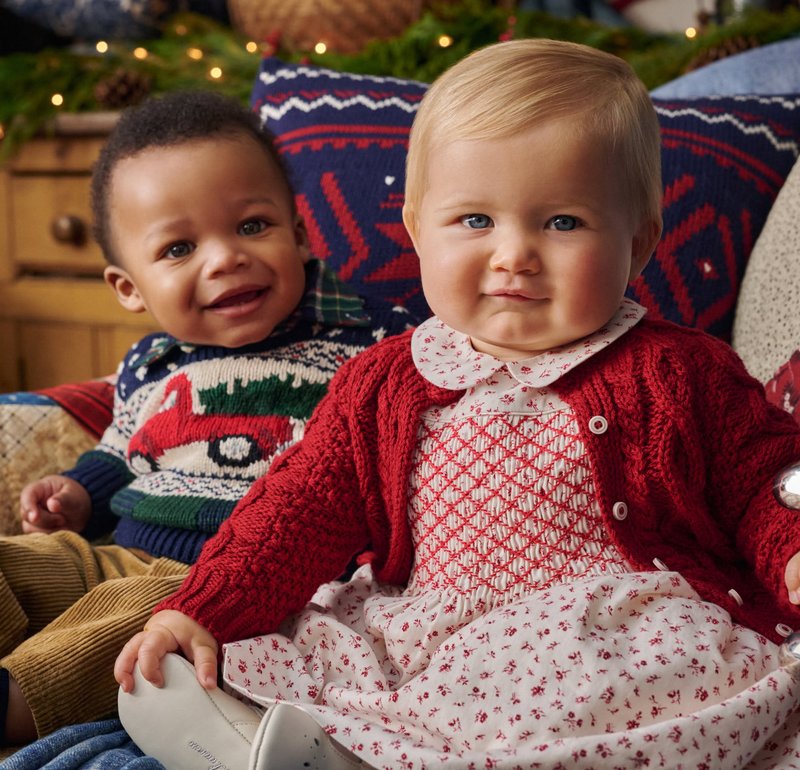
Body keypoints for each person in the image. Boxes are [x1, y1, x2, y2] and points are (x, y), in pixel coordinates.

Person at [115, 39, 800, 770]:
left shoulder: (679, 371)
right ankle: (310, 748)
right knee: (178, 676)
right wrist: (205, 608)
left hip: (614, 642)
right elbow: (299, 509)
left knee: (654, 678)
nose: (514, 255)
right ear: (417, 230)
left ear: (638, 244)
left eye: (562, 223)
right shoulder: (384, 382)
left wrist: (791, 548)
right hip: (430, 641)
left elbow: (765, 481)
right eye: (476, 220)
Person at [0, 89, 410, 747]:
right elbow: (124, 449)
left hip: (225, 587)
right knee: (23, 563)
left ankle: (15, 704)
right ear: (129, 288)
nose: (224, 258)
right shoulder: (152, 363)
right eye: (178, 248)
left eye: (252, 226)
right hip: (115, 550)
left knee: (132, 630)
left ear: (299, 235)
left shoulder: (368, 346)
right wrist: (79, 491)